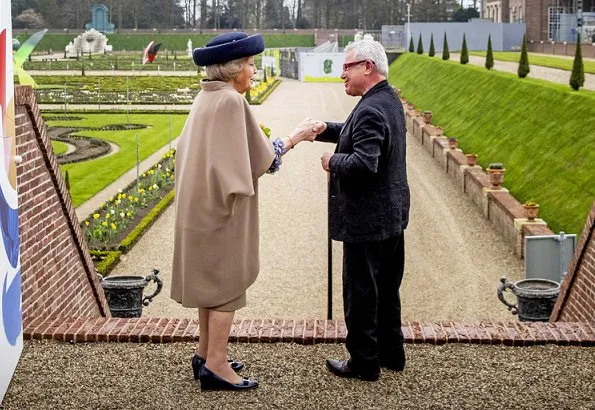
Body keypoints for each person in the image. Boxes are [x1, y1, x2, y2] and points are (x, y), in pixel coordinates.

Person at [171, 32, 316, 391]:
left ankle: (205, 355)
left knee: (209, 286)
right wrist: (296, 137)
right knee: (226, 287)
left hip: (199, 213)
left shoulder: (204, 99)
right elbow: (264, 160)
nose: (254, 70)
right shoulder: (232, 103)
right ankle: (217, 366)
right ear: (234, 69)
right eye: (250, 64)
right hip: (223, 215)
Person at [312, 39, 410, 381]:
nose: (342, 74)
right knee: (386, 288)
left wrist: (332, 161)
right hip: (391, 217)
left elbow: (365, 162)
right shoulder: (388, 100)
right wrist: (326, 130)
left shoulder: (370, 108)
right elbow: (362, 136)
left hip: (366, 220)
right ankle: (391, 353)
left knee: (360, 292)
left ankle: (364, 362)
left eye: (347, 67)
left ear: (367, 66)